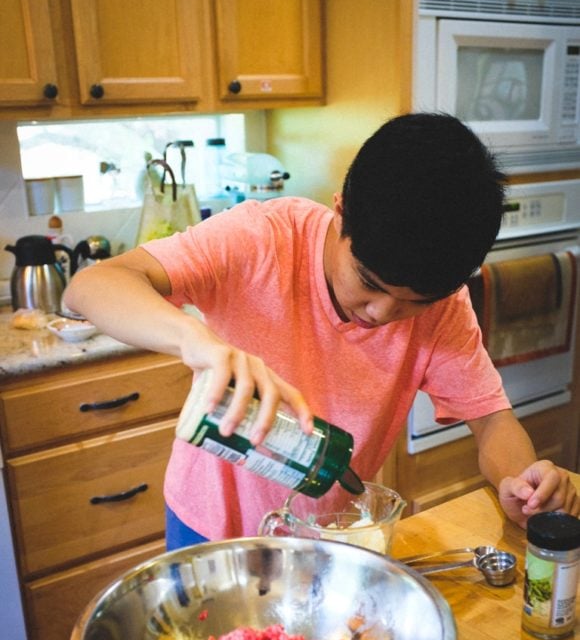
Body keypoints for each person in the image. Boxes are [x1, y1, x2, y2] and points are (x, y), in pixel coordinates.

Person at [63, 113, 580, 549]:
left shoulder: (444, 307)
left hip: (332, 531)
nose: (382, 313)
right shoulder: (260, 239)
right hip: (211, 527)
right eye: (369, 283)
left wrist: (520, 480)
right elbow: (92, 285)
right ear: (340, 212)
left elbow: (491, 421)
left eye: (413, 303)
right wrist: (198, 342)